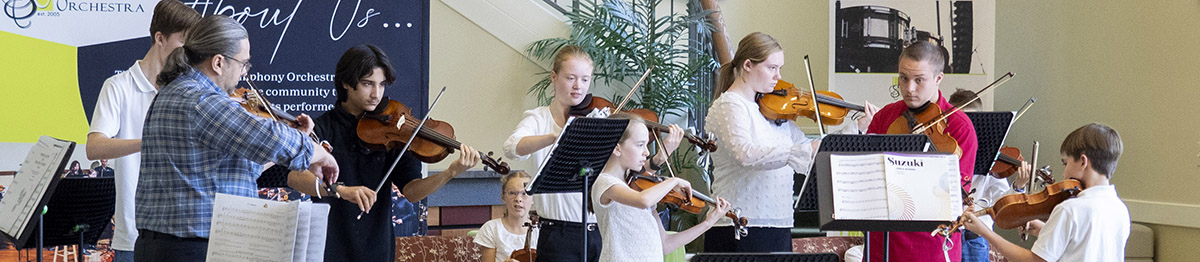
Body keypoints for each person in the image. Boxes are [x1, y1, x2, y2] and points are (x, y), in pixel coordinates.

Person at [136, 15, 340, 262]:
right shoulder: (201, 100)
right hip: (192, 249)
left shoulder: (178, 92)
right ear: (218, 62)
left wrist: (300, 141)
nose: (244, 73)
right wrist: (320, 154)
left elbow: (234, 171)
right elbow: (269, 137)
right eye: (243, 63)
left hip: (175, 246)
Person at [287, 44, 481, 262]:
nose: (376, 94)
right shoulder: (322, 128)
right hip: (329, 247)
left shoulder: (394, 132)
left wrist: (450, 172)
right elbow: (295, 176)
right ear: (346, 83)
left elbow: (412, 191)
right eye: (367, 84)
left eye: (381, 85)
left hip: (377, 248)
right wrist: (342, 190)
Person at [503, 45, 684, 262]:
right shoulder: (538, 118)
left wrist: (658, 159)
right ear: (554, 76)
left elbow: (627, 175)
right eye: (570, 78)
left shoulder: (598, 120)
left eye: (585, 79)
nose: (578, 86)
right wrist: (556, 136)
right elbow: (512, 147)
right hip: (558, 234)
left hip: (600, 232)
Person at [84, 1, 201, 259]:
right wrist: (149, 140)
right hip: (134, 235)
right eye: (184, 43)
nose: (190, 53)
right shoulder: (118, 86)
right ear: (160, 38)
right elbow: (94, 147)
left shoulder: (188, 90)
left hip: (183, 233)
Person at [702, 32, 821, 252]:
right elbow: (745, 154)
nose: (778, 76)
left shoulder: (772, 110)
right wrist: (799, 151)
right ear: (748, 65)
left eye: (780, 68)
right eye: (772, 68)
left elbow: (809, 148)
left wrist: (857, 127)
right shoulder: (730, 105)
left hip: (777, 223)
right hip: (739, 223)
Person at [863, 41, 978, 261]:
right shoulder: (885, 117)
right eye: (903, 78)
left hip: (930, 246)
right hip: (881, 245)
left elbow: (953, 197)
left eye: (919, 80)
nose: (909, 89)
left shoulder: (959, 126)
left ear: (938, 79)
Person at [962, 123, 1129, 262]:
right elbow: (1086, 245)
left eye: (1065, 163)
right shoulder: (1119, 208)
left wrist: (985, 232)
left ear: (1083, 162)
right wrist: (1045, 230)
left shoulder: (1070, 209)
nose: (1064, 173)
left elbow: (1035, 260)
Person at [592, 113, 731, 261]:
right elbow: (642, 200)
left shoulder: (639, 187)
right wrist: (673, 181)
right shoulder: (605, 182)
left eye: (646, 145)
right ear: (617, 148)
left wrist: (708, 223)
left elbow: (665, 244)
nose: (646, 152)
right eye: (640, 145)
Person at [948, 88, 1032, 262]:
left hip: (975, 236)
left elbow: (1003, 206)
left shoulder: (993, 161)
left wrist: (1018, 186)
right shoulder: (945, 153)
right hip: (947, 233)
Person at [475, 171, 537, 262]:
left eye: (524, 193)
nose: (518, 199)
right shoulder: (492, 229)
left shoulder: (542, 230)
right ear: (503, 197)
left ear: (533, 198)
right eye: (512, 193)